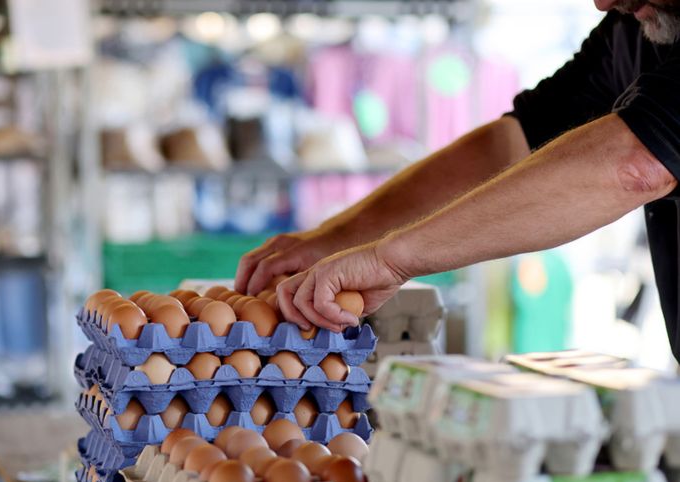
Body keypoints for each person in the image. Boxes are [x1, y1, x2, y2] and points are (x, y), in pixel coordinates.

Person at [235, 0, 680, 361]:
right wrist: (337, 238)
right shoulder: (632, 27)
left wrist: (392, 260)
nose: (602, 2)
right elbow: (514, 141)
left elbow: (635, 163)